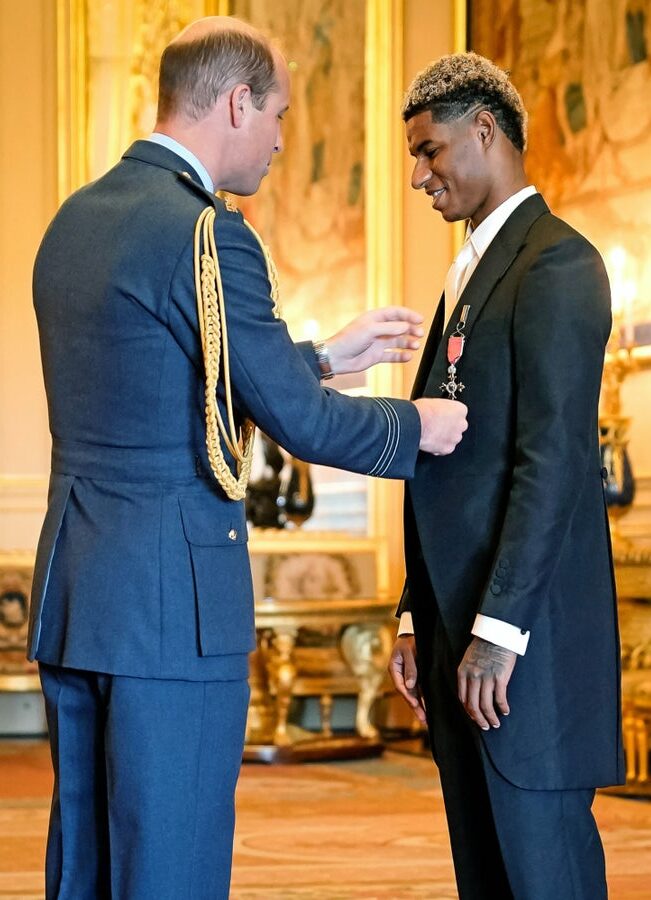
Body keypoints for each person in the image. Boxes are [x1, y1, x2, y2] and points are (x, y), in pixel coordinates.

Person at [28, 16, 468, 900]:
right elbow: (302, 426)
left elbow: (167, 379)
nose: (277, 139)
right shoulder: (207, 232)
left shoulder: (77, 219)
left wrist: (320, 356)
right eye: (277, 114)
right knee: (172, 866)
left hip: (79, 592)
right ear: (236, 103)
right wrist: (415, 425)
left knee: (88, 865)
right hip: (172, 608)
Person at [389, 52, 624, 900]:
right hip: (460, 635)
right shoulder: (471, 270)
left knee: (543, 876)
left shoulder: (557, 264)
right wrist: (417, 612)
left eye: (428, 150)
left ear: (483, 131)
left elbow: (552, 462)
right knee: (486, 878)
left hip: (523, 645)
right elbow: (439, 464)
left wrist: (497, 632)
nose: (419, 174)